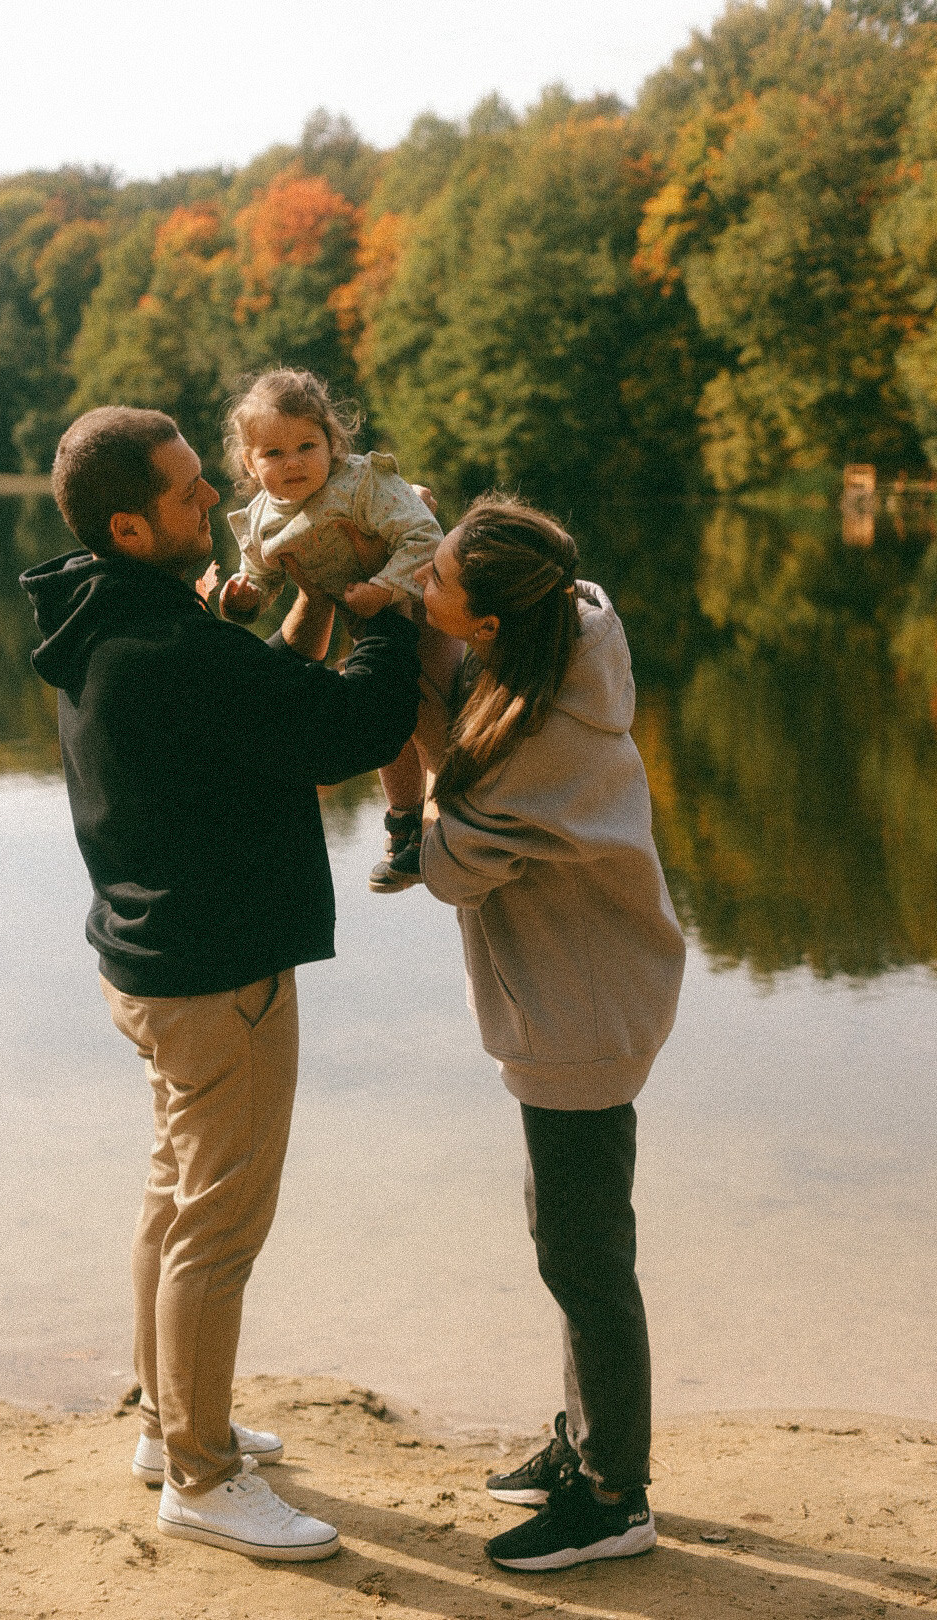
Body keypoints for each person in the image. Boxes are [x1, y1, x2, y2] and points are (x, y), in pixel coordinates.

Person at [20, 405, 420, 1562]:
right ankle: (199, 1475)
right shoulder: (167, 647)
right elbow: (349, 724)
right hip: (214, 974)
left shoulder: (108, 617)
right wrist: (374, 602)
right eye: (195, 495)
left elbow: (257, 704)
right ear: (133, 524)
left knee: (173, 1194)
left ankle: (165, 1421)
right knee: (219, 1228)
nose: (221, 504)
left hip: (148, 963)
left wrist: (303, 604)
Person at [414, 495, 686, 1572]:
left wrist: (411, 716)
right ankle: (586, 1441)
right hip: (585, 993)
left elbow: (445, 866)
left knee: (585, 1255)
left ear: (486, 625)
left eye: (435, 584)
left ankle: (619, 1496)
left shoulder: (539, 745)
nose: (421, 590)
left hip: (583, 1011)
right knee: (567, 1236)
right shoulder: (558, 633)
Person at [217, 367, 461, 893]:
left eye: (308, 445)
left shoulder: (361, 485)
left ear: (334, 442)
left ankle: (461, 810)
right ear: (249, 463)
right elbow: (261, 576)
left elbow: (426, 536)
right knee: (388, 719)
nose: (294, 463)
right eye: (273, 454)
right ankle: (404, 825)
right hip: (366, 627)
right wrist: (244, 597)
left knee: (427, 707)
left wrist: (385, 586)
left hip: (424, 609)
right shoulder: (261, 519)